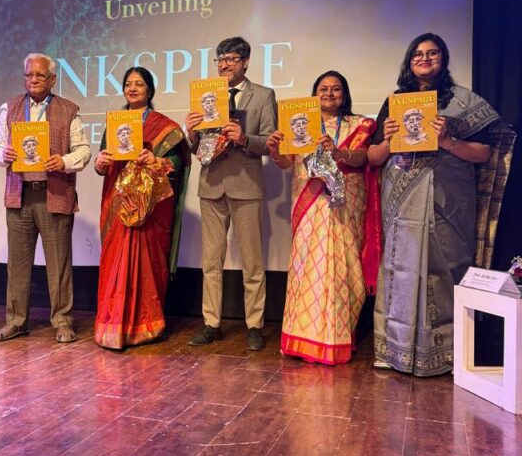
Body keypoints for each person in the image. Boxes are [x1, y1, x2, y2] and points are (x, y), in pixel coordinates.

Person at [368, 33, 514, 376]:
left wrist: (446, 139)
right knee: (399, 270)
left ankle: (448, 355)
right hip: (402, 204)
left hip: (448, 203)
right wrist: (388, 140)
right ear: (409, 61)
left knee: (447, 266)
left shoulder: (463, 102)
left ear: (443, 59)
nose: (425, 58)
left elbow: (484, 153)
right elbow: (374, 157)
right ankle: (394, 350)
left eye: (432, 53)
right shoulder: (395, 102)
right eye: (418, 53)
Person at [267, 71, 380, 366]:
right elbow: (286, 163)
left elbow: (364, 157)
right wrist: (276, 152)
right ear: (314, 94)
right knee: (307, 266)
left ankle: (337, 338)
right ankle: (302, 338)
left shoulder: (359, 124)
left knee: (345, 268)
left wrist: (339, 152)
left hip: (345, 203)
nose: (329, 93)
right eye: (323, 88)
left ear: (345, 94)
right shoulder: (299, 123)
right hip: (309, 203)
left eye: (336, 88)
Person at [0, 53, 91, 343]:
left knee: (59, 264)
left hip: (54, 193)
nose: (33, 80)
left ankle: (62, 321)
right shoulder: (9, 107)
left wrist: (64, 161)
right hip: (20, 195)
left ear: (52, 79)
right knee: (18, 264)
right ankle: (16, 321)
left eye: (40, 75)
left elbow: (84, 151)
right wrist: (4, 154)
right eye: (29, 75)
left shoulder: (69, 110)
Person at [184, 36, 277, 351]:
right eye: (220, 59)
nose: (224, 65)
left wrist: (244, 138)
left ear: (245, 62)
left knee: (252, 261)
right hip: (211, 185)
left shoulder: (263, 95)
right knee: (211, 261)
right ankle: (211, 323)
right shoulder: (206, 95)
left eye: (231, 59)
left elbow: (271, 143)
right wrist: (191, 133)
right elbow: (198, 149)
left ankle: (254, 325)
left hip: (246, 186)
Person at [94, 67, 190, 349]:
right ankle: (112, 325)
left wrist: (156, 160)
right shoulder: (115, 123)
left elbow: (178, 162)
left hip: (150, 208)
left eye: (139, 83)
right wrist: (100, 164)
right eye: (128, 84)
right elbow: (103, 161)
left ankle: (146, 325)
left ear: (150, 89)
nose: (133, 88)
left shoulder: (165, 127)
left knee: (147, 263)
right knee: (115, 261)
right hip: (118, 202)